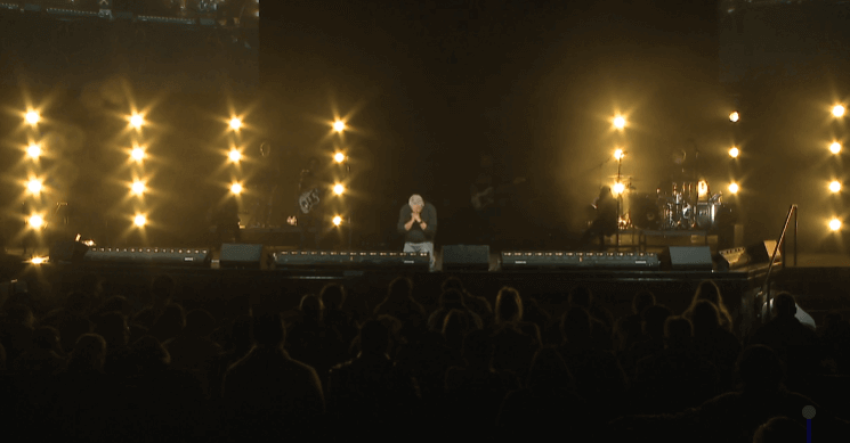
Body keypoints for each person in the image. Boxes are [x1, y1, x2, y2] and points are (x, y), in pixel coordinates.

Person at [397, 194, 437, 270]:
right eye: (413, 208)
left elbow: (431, 231)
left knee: (429, 263)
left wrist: (419, 220)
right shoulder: (405, 209)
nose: (415, 210)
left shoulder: (430, 209)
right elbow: (400, 229)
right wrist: (412, 221)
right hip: (409, 243)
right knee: (407, 264)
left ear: (422, 205)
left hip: (426, 242)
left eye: (418, 208)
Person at [297, 156, 328, 250]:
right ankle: (302, 248)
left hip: (318, 206)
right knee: (304, 228)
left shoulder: (322, 177)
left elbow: (324, 190)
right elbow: (300, 190)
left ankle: (318, 248)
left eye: (315, 164)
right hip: (307, 206)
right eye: (311, 164)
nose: (313, 166)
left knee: (319, 228)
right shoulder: (305, 176)